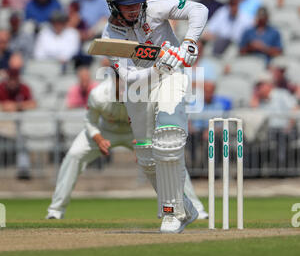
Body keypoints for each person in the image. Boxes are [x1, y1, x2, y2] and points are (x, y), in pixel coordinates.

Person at [101, 0, 208, 233]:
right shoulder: (110, 36)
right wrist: (158, 68)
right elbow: (129, 77)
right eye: (128, 6)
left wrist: (189, 42)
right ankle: (185, 207)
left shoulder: (156, 8)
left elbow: (199, 9)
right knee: (147, 157)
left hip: (172, 77)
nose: (134, 9)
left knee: (168, 138)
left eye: (137, 3)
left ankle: (170, 213)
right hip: (139, 88)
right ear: (114, 6)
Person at [46, 73, 208, 220]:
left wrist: (144, 142)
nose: (126, 87)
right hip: (105, 131)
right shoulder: (99, 94)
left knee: (169, 156)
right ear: (114, 80)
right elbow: (90, 121)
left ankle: (196, 208)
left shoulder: (143, 92)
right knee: (74, 154)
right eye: (122, 82)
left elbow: (150, 118)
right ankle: (56, 210)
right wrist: (99, 139)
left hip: (136, 131)